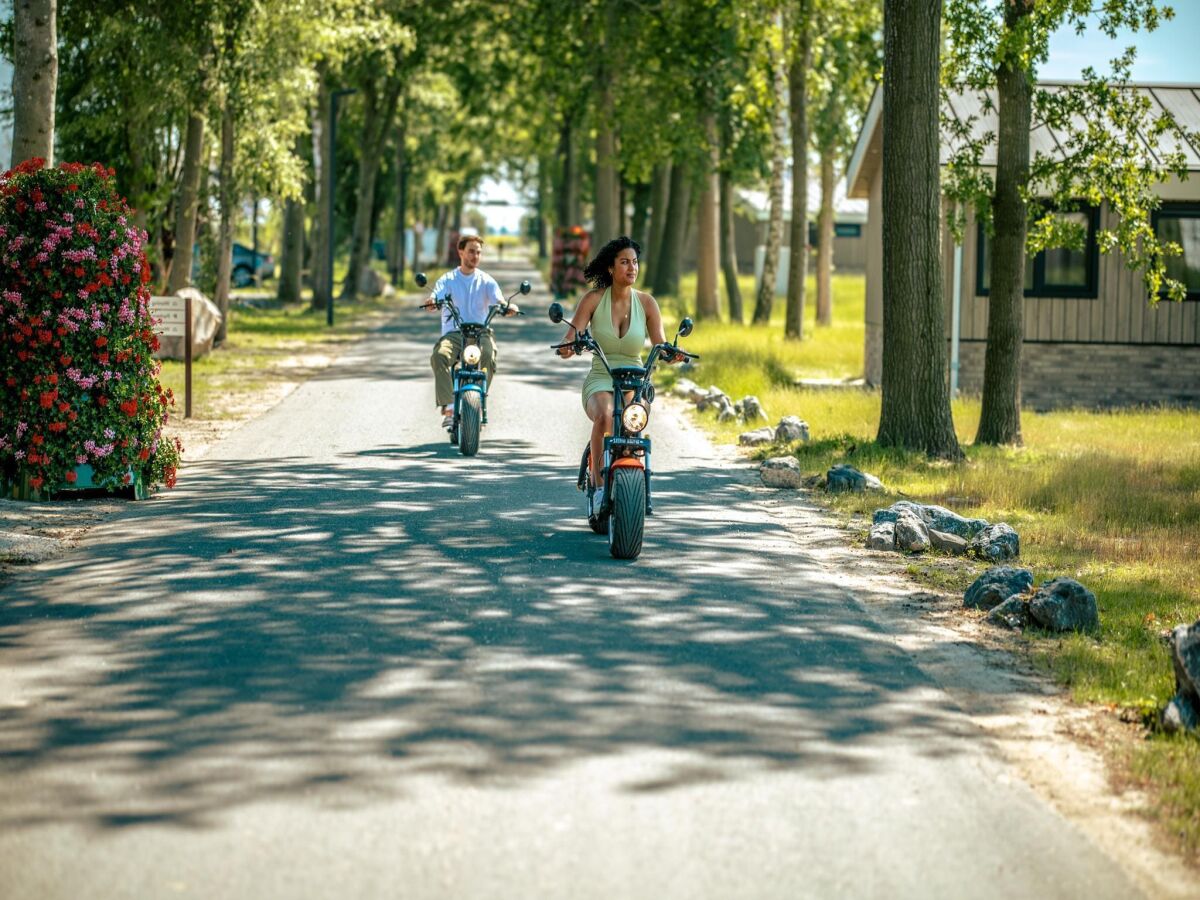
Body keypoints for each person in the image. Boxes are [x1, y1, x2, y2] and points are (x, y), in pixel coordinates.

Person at [554, 235, 678, 513]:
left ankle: (635, 482)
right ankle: (599, 487)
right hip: (601, 376)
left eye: (634, 262)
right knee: (606, 415)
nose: (632, 268)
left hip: (634, 379)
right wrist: (569, 346)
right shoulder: (593, 300)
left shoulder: (647, 303)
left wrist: (672, 353)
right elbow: (570, 337)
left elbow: (660, 344)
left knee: (635, 423)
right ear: (611, 268)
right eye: (624, 262)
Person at [423, 234, 519, 428]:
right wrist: (432, 302)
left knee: (489, 355)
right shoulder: (448, 279)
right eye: (471, 251)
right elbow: (435, 296)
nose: (475, 256)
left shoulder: (486, 281)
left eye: (478, 252)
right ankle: (449, 407)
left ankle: (479, 401)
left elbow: (498, 300)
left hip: (480, 333)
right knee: (439, 356)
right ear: (461, 252)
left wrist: (508, 307)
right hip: (454, 334)